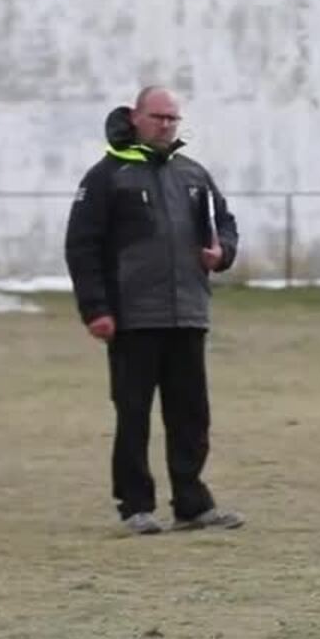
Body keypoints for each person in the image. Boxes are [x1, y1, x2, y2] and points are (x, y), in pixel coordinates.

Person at [64, 86, 246, 535]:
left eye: (172, 118)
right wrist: (95, 309)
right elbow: (82, 247)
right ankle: (135, 506)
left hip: (188, 314)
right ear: (135, 116)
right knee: (133, 416)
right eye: (158, 116)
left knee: (191, 416)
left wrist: (222, 252)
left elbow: (225, 223)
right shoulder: (107, 177)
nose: (165, 125)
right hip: (132, 318)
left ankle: (192, 504)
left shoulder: (193, 174)